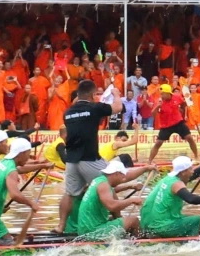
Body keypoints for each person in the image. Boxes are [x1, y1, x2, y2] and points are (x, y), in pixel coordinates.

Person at [59, 80, 122, 234]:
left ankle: (60, 226)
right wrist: (116, 94)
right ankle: (119, 222)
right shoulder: (94, 108)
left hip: (71, 160)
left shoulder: (67, 112)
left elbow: (78, 111)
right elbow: (118, 108)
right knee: (108, 184)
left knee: (70, 194)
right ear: (93, 95)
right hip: (90, 158)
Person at [0, 138, 39, 244]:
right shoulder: (10, 169)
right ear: (22, 153)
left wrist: (41, 165)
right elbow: (15, 195)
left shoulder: (3, 163)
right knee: (8, 243)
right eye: (28, 153)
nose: (28, 157)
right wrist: (31, 203)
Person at [139, 155, 200, 238]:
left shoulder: (168, 179)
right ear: (183, 172)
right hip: (160, 227)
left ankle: (195, 237)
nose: (192, 171)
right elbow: (191, 199)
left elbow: (194, 174)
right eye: (190, 169)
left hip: (147, 224)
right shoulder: (176, 184)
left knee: (191, 217)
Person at [75, 159, 153, 239]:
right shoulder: (103, 185)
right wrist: (131, 200)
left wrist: (131, 186)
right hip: (92, 231)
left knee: (118, 217)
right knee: (134, 220)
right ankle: (140, 243)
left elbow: (111, 192)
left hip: (85, 229)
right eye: (123, 176)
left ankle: (126, 239)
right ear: (116, 174)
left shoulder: (99, 180)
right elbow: (112, 206)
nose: (124, 179)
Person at [147, 84, 200, 163]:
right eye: (161, 94)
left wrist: (186, 104)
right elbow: (153, 114)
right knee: (158, 143)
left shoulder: (177, 97)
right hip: (166, 125)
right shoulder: (159, 101)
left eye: (163, 94)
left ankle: (196, 157)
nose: (161, 95)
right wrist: (157, 106)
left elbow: (183, 103)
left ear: (168, 93)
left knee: (189, 138)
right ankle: (149, 161)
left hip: (178, 122)